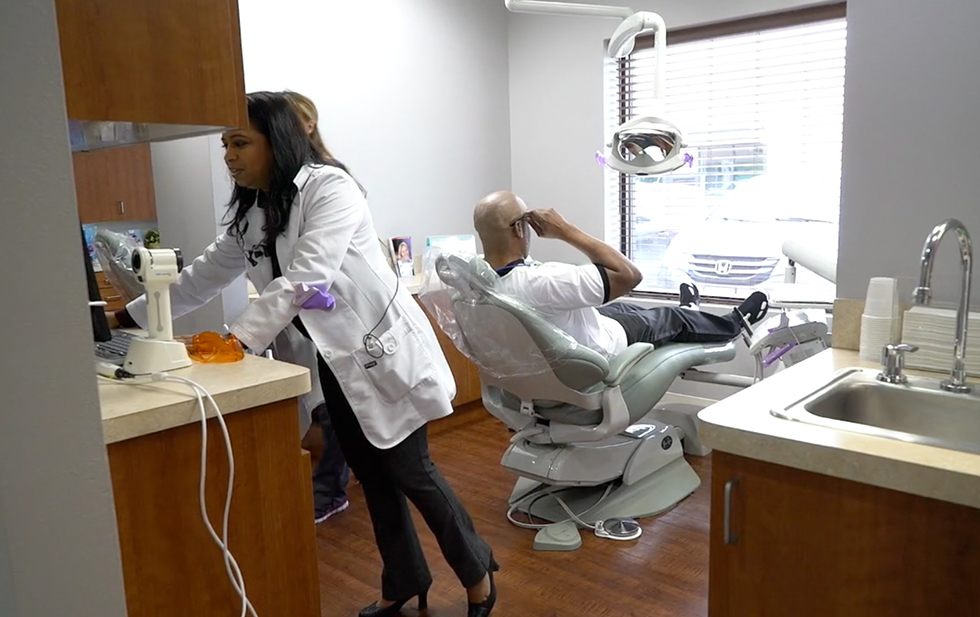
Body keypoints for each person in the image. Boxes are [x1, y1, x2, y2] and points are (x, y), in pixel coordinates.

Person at [111, 92, 498, 617]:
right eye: (225, 143)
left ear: (279, 140)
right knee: (373, 475)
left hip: (383, 354)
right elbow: (201, 276)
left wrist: (239, 340)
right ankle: (405, 579)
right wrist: (125, 317)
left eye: (241, 142)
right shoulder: (251, 213)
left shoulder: (329, 187)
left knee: (412, 472)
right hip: (337, 365)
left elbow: (308, 276)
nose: (228, 155)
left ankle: (478, 573)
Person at [472, 190, 769, 356]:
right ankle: (733, 322)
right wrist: (565, 231)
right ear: (520, 228)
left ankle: (691, 314)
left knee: (626, 306)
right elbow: (629, 274)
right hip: (601, 350)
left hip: (561, 342)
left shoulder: (476, 284)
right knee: (668, 319)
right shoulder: (545, 282)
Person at [282, 89, 351, 524]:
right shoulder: (276, 194)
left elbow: (314, 267)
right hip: (301, 316)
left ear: (308, 124)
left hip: (335, 319)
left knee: (333, 410)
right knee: (326, 408)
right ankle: (331, 485)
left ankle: (330, 490)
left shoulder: (329, 183)